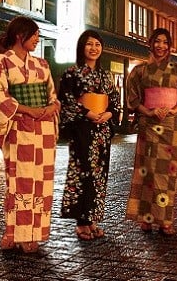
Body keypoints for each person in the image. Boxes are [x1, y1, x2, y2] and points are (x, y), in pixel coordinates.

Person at [0, 16, 60, 253]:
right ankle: (14, 232)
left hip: (44, 128)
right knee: (19, 182)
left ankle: (33, 234)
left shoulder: (42, 64)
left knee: (42, 182)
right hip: (19, 128)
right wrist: (27, 110)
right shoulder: (1, 61)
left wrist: (51, 107)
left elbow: (52, 95)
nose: (38, 39)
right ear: (20, 35)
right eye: (35, 34)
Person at [125, 28, 177, 235]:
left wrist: (173, 110)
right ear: (150, 43)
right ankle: (146, 219)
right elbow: (133, 99)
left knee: (168, 172)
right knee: (147, 171)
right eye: (157, 41)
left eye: (165, 42)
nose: (161, 46)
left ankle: (165, 220)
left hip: (170, 125)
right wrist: (149, 111)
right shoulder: (139, 71)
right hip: (148, 124)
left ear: (170, 46)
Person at [58, 30, 121, 241]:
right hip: (82, 129)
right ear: (81, 47)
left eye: (97, 44)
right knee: (83, 172)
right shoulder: (72, 73)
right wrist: (88, 113)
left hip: (101, 131)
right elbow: (67, 100)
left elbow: (114, 100)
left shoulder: (106, 75)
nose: (94, 48)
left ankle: (93, 219)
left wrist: (110, 113)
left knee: (99, 176)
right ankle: (81, 223)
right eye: (89, 44)